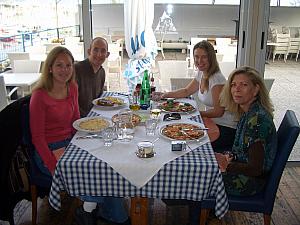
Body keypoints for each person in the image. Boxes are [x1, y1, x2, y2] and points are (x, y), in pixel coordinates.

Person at [188, 66, 278, 225]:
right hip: (244, 171)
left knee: (195, 175)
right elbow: (243, 151)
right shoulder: (249, 112)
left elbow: (255, 169)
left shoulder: (256, 121)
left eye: (244, 85)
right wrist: (228, 157)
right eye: (233, 85)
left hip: (249, 182)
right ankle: (205, 211)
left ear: (256, 89)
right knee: (200, 161)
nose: (237, 89)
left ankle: (197, 217)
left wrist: (227, 165)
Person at [153, 40, 237, 152]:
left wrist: (194, 113)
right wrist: (164, 95)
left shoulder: (217, 80)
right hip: (212, 122)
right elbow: (186, 91)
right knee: (176, 129)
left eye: (204, 57)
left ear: (211, 58)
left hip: (225, 128)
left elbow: (218, 112)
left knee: (188, 143)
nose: (199, 61)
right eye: (196, 57)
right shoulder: (202, 73)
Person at [75, 36, 110, 117]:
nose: (99, 54)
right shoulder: (77, 70)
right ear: (89, 51)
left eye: (103, 51)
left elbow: (99, 100)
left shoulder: (101, 72)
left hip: (94, 115)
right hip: (79, 118)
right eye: (95, 50)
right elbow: (71, 103)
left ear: (107, 54)